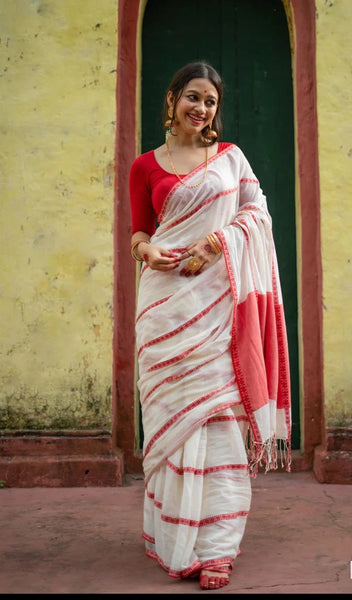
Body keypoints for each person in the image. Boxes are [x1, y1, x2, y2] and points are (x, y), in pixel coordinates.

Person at [128, 61, 291, 591]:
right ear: (173, 99)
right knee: (174, 424)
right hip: (165, 308)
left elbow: (258, 214)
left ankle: (217, 548)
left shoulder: (230, 159)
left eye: (211, 102)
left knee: (219, 423)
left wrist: (215, 242)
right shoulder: (144, 166)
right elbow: (139, 232)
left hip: (217, 307)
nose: (201, 108)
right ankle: (176, 538)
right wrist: (148, 249)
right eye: (192, 97)